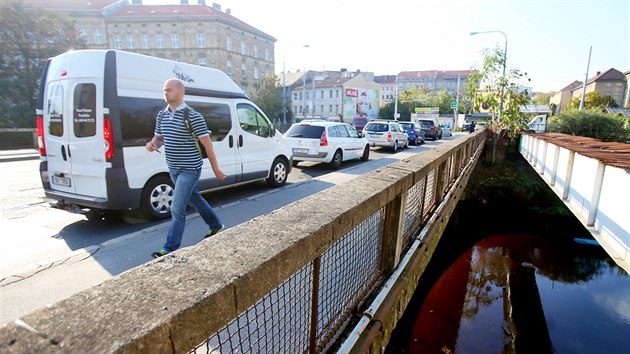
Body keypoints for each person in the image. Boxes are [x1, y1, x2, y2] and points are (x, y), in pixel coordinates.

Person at [146, 78, 226, 258]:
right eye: (164, 90)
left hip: (190, 168)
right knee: (195, 198)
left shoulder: (193, 117)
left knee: (177, 207)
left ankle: (169, 248)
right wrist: (152, 144)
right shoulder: (162, 115)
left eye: (169, 90)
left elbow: (208, 145)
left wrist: (216, 169)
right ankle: (216, 226)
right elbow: (159, 138)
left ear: (181, 92)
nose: (165, 93)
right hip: (173, 168)